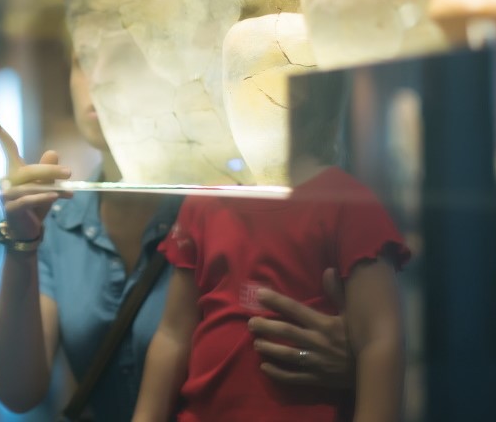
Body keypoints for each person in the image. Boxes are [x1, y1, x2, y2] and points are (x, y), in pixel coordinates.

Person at [0, 48, 358, 421]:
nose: (99, 77)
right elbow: (18, 392)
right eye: (83, 58)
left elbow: (353, 339)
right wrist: (21, 243)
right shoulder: (60, 219)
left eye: (125, 55)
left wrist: (353, 358)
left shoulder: (229, 207)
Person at [132, 73, 412, 421]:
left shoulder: (346, 202)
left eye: (236, 71)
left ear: (295, 87)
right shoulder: (206, 199)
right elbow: (173, 333)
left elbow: (381, 340)